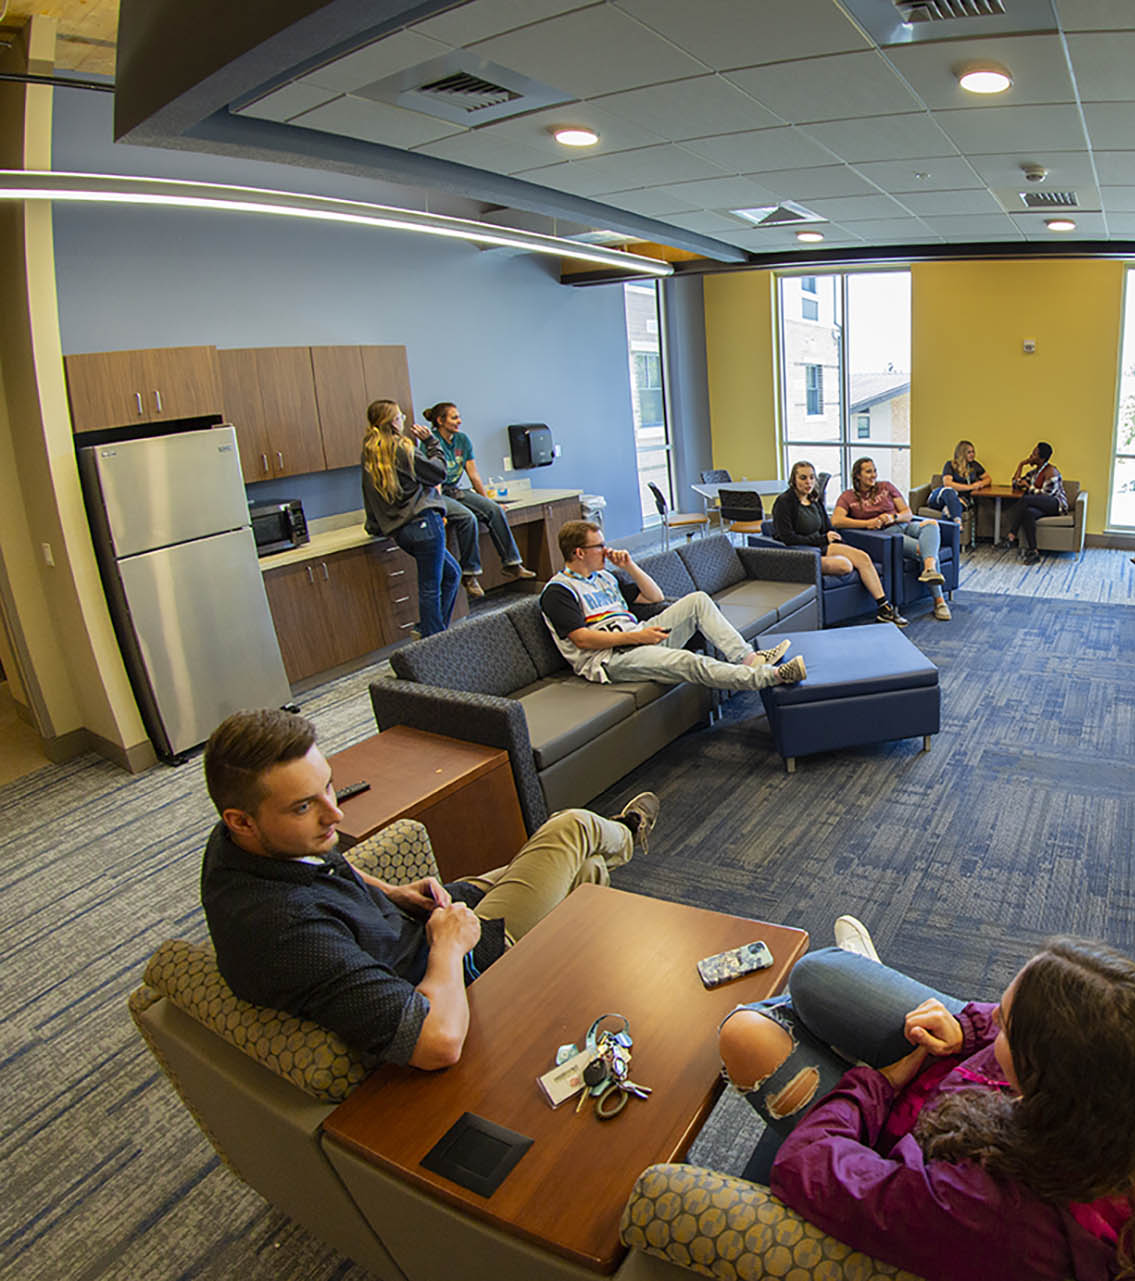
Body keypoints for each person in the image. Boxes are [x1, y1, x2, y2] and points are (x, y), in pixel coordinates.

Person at [716, 923, 1135, 1281]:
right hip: (949, 1075)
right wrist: (970, 1029)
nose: (995, 1021)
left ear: (1042, 1080)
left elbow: (809, 1161)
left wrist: (877, 1081)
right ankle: (814, 1026)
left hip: (900, 1138)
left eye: (1006, 1024)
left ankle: (811, 1036)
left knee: (744, 1031)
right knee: (815, 974)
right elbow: (997, 1024)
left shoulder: (987, 1208)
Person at [199, 708, 660, 1069]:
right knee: (575, 833)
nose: (335, 814)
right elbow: (436, 1043)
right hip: (465, 969)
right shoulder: (289, 935)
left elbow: (326, 865)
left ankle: (577, 947)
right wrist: (449, 946)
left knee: (583, 867)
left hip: (427, 922)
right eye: (304, 806)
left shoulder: (244, 845)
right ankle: (625, 837)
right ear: (241, 821)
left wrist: (392, 892)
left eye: (329, 788)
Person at [540, 519, 806, 689]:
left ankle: (748, 658)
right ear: (579, 552)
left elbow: (654, 597)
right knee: (689, 662)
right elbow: (582, 639)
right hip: (611, 658)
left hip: (639, 635)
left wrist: (629, 566)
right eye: (600, 546)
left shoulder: (605, 578)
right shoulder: (559, 590)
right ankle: (770, 677)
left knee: (698, 600)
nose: (607, 550)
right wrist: (636, 638)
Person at [361, 398, 462, 635]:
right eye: (400, 417)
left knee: (452, 573)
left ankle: (431, 630)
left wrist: (375, 525)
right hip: (425, 524)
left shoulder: (370, 452)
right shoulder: (402, 448)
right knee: (430, 587)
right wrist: (431, 442)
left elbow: (368, 493)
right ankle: (433, 639)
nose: (403, 420)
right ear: (393, 422)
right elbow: (438, 473)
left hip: (401, 531)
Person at [769, 460, 905, 624]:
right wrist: (822, 539)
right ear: (794, 479)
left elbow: (828, 527)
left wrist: (834, 539)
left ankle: (884, 608)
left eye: (812, 478)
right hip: (802, 551)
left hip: (821, 546)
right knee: (845, 565)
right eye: (803, 478)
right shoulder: (784, 502)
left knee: (862, 558)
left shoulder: (814, 499)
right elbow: (788, 538)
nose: (808, 482)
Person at [424, 401, 537, 584]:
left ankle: (512, 564)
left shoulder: (462, 440)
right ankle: (470, 574)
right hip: (438, 493)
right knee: (468, 518)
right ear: (440, 421)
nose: (459, 421)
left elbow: (473, 474)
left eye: (459, 417)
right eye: (454, 417)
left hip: (456, 490)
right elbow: (434, 479)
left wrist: (488, 502)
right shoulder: (431, 442)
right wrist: (438, 509)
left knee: (495, 510)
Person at [832, 456, 953, 622]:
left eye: (874, 470)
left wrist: (893, 517)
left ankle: (929, 568)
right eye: (868, 472)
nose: (873, 475)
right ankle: (939, 602)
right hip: (886, 536)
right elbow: (836, 520)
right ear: (857, 475)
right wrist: (868, 523)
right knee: (924, 549)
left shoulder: (886, 486)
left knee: (932, 524)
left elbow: (907, 513)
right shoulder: (848, 497)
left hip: (903, 525)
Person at [1007, 442, 1067, 565]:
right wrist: (1021, 465)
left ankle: (1012, 533)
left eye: (1034, 454)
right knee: (1028, 513)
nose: (1031, 456)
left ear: (1041, 458)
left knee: (1026, 499)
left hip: (1055, 504)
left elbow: (1045, 495)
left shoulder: (1051, 472)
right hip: (1042, 505)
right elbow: (1015, 483)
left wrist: (1028, 487)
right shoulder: (1035, 472)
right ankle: (1034, 552)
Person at [927, 439, 990, 525]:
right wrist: (971, 487)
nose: (972, 454)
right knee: (949, 491)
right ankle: (958, 523)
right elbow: (948, 484)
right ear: (962, 453)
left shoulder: (974, 465)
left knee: (948, 511)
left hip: (962, 500)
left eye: (973, 452)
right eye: (969, 452)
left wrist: (980, 484)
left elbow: (988, 478)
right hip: (942, 497)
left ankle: (953, 530)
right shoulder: (950, 465)